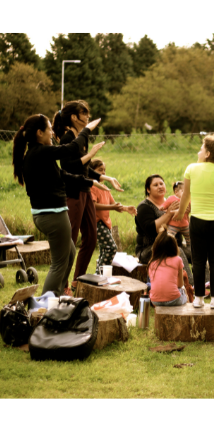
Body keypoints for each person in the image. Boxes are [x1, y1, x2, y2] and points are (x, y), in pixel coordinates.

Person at [11, 113, 106, 296]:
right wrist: (86, 130)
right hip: (52, 214)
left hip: (48, 214)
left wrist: (90, 182)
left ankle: (60, 294)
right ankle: (48, 304)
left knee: (70, 252)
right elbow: (70, 148)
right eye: (49, 129)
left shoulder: (37, 155)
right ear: (39, 133)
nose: (52, 132)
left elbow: (61, 175)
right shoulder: (40, 152)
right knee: (59, 263)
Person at [53, 100, 124, 289]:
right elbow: (70, 167)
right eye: (84, 113)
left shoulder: (80, 138)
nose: (88, 117)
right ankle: (64, 284)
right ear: (74, 117)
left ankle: (78, 280)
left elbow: (84, 168)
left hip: (85, 192)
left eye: (88, 113)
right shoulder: (69, 139)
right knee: (71, 240)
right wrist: (91, 152)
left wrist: (105, 177)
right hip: (74, 193)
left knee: (91, 238)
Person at [173, 135, 214, 309]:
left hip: (197, 220)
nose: (198, 151)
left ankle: (199, 299)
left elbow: (186, 195)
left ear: (207, 153)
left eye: (201, 149)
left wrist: (180, 212)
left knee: (199, 260)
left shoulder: (191, 169)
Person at [135, 174, 192, 285]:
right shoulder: (144, 207)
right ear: (148, 190)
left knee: (197, 252)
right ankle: (190, 285)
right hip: (150, 249)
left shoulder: (172, 201)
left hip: (175, 244)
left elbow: (182, 225)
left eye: (161, 183)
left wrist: (185, 213)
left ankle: (206, 283)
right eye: (155, 185)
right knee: (179, 252)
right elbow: (151, 230)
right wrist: (169, 213)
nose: (160, 186)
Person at [89, 158, 136, 275]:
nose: (103, 173)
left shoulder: (105, 187)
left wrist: (125, 208)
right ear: (91, 171)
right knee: (111, 248)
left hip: (105, 223)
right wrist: (112, 208)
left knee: (104, 250)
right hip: (97, 222)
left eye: (104, 170)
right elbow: (93, 205)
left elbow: (113, 204)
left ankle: (98, 274)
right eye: (100, 170)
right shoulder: (92, 187)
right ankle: (99, 274)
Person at [147, 232, 190, 308]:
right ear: (174, 247)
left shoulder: (152, 263)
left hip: (154, 301)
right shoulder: (178, 260)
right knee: (183, 291)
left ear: (156, 248)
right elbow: (180, 284)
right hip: (174, 300)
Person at [161, 181, 191, 251]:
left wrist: (190, 209)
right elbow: (166, 204)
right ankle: (169, 247)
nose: (186, 194)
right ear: (176, 192)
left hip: (185, 224)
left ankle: (190, 246)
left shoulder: (187, 199)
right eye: (183, 191)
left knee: (189, 236)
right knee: (169, 236)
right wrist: (162, 207)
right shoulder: (171, 198)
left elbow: (192, 206)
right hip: (173, 224)